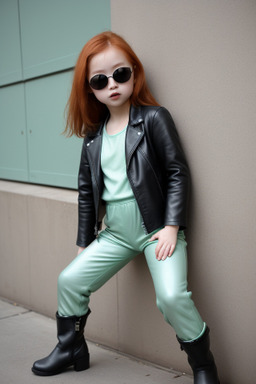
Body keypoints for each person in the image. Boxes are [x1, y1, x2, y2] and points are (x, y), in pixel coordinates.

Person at [31, 31, 220, 383]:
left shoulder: (153, 119)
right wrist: (84, 243)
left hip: (156, 231)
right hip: (115, 235)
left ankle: (204, 365)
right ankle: (71, 348)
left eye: (121, 74)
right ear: (90, 89)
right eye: (100, 80)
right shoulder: (93, 137)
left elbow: (178, 172)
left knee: (171, 296)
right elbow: (86, 192)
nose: (112, 85)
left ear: (135, 72)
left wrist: (171, 226)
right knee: (69, 280)